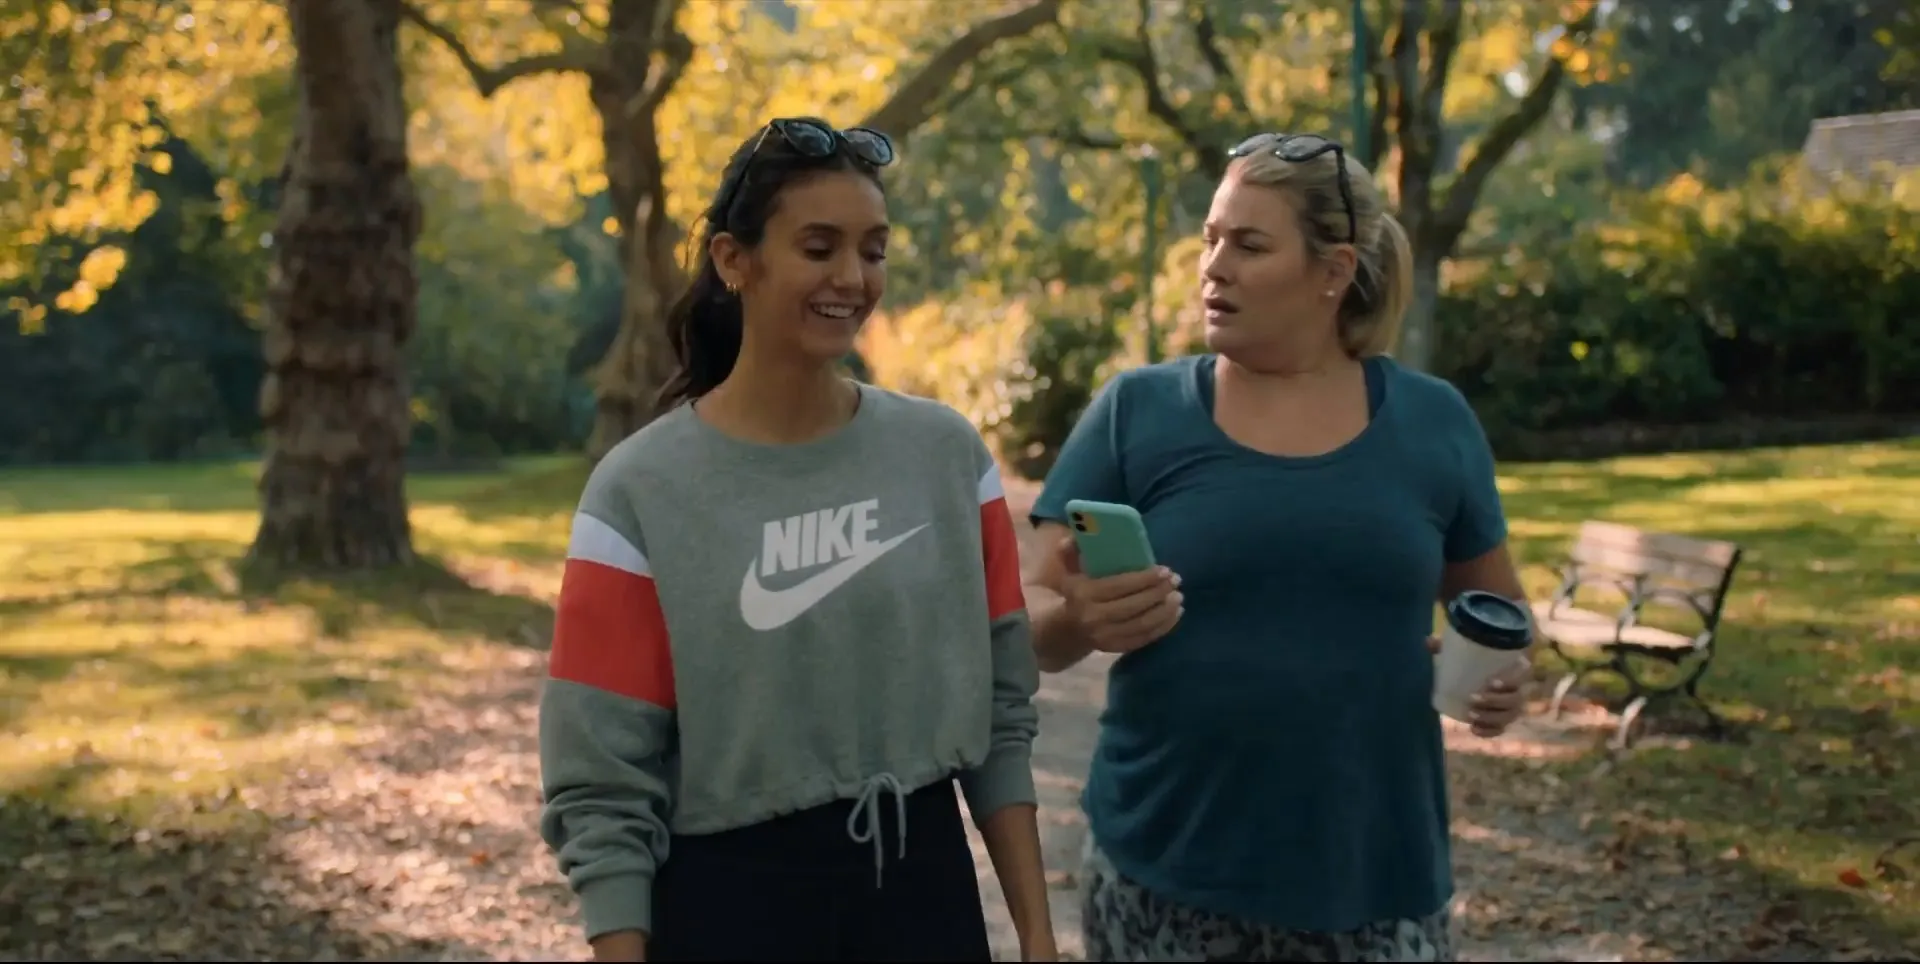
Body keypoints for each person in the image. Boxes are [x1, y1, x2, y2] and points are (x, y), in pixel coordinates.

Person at [538, 117, 1056, 963]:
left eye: (873, 250)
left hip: (925, 902)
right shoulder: (637, 493)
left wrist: (1038, 936)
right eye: (819, 248)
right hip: (727, 910)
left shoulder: (946, 457)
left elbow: (999, 709)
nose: (853, 277)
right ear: (733, 261)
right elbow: (602, 782)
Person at [1022, 133, 1532, 963]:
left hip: (1373, 881)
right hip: (1163, 876)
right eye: (1210, 239)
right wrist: (1079, 617)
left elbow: (1502, 610)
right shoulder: (1137, 411)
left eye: (1249, 245)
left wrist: (1502, 677)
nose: (1213, 267)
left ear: (1333, 271)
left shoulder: (1434, 422)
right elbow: (1028, 619)